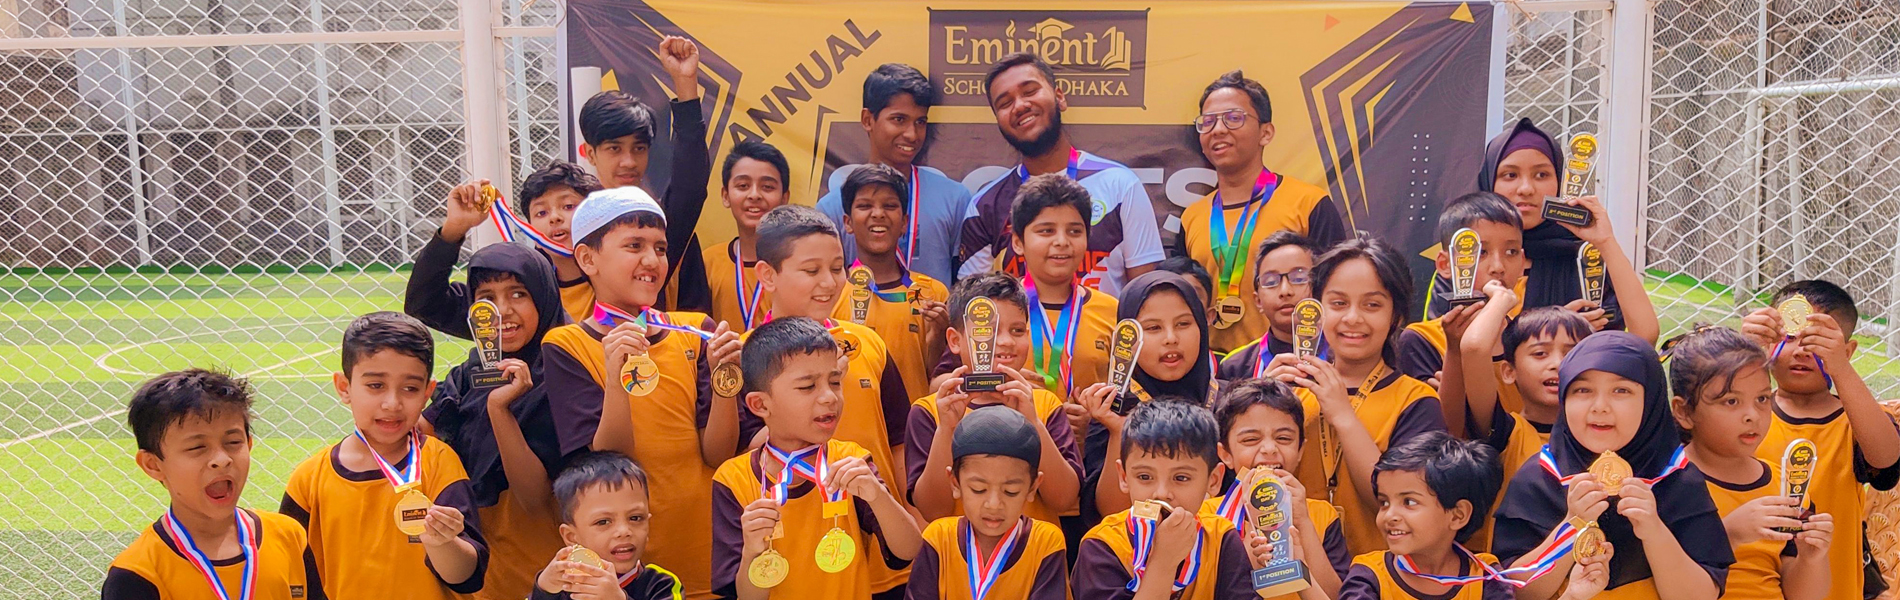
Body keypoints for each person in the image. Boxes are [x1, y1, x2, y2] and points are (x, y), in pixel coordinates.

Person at [540, 187, 750, 600]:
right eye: (634, 246)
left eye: (660, 248)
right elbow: (607, 462)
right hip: (626, 566)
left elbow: (719, 454)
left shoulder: (696, 331)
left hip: (707, 547)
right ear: (588, 259)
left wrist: (725, 379)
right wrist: (615, 376)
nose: (652, 261)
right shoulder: (567, 344)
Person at [748, 204, 916, 596]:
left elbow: (898, 442)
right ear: (768, 275)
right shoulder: (747, 356)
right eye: (811, 271)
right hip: (795, 554)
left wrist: (910, 514)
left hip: (884, 546)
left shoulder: (868, 343)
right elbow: (743, 454)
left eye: (837, 268)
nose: (829, 282)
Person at [1492, 331, 1734, 600]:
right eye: (1582, 390)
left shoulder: (1677, 479)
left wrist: (1653, 530)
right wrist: (1572, 526)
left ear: (1651, 401)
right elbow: (1517, 593)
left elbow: (1702, 595)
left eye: (1621, 390)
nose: (1600, 406)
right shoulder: (1539, 478)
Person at [712, 317, 924, 600]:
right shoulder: (733, 480)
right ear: (760, 404)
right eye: (807, 387)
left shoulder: (851, 461)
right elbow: (747, 597)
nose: (829, 397)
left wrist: (878, 496)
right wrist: (752, 551)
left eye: (835, 382)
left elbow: (909, 550)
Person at [281, 312, 489, 599]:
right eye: (376, 386)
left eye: (410, 388)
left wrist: (442, 542)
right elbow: (292, 575)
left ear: (427, 392)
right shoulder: (309, 480)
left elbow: (467, 576)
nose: (392, 403)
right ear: (344, 387)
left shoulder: (439, 462)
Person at [1260, 237, 1448, 553]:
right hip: (1294, 569)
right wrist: (1262, 405)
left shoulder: (1417, 401)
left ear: (1396, 316)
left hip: (1381, 574)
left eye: (1372, 305)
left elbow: (1398, 504)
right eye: (1338, 303)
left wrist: (1343, 415)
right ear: (1316, 310)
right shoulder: (1292, 390)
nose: (1352, 318)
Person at [416, 242, 571, 600]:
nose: (502, 311)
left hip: (540, 563)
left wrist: (500, 410)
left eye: (518, 293)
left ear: (544, 297)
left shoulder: (564, 373)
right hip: (468, 552)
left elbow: (534, 499)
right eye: (487, 297)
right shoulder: (468, 374)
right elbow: (422, 438)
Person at [1424, 119, 1658, 347]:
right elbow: (1450, 346)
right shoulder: (1465, 259)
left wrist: (1605, 241)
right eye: (1510, 175)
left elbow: (1643, 338)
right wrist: (1557, 328)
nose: (1526, 189)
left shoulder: (1584, 257)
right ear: (1489, 181)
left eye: (1541, 175)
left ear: (1560, 180)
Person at [1738, 280, 1900, 600]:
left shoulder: (1855, 421)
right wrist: (1740, 353)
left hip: (1834, 588)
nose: (1801, 350)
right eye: (1789, 337)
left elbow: (1886, 461)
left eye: (1817, 340)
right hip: (1750, 586)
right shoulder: (1744, 415)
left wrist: (1839, 368)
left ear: (1847, 351)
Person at [957, 52, 1164, 295]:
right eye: (1005, 103)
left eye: (1030, 91)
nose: (1020, 106)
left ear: (1060, 98)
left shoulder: (1120, 185)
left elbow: (1145, 298)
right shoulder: (984, 206)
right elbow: (973, 305)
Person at [1178, 70, 1348, 354]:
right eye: (1208, 122)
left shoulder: (1308, 204)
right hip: (1210, 368)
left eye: (1233, 118)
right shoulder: (1192, 217)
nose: (1218, 130)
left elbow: (1337, 293)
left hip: (1288, 365)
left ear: (1265, 133)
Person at [103, 370, 312, 600]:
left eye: (233, 442)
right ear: (152, 465)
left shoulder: (289, 537)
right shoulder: (136, 574)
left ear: (249, 444)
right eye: (197, 447)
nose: (221, 459)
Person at [1664, 326, 1834, 600]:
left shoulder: (1786, 485)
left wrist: (1811, 558)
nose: (1752, 415)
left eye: (1762, 399)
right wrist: (1729, 533)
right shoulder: (1665, 483)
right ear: (1684, 411)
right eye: (1731, 401)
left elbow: (1803, 595)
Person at [1339, 432, 1607, 600]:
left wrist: (1573, 596)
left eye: (1409, 502)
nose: (1390, 515)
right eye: (1384, 502)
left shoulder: (1486, 580)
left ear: (1458, 515)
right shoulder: (1369, 576)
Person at [907, 273, 1082, 526]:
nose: (1006, 341)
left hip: (1035, 549)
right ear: (955, 341)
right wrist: (946, 430)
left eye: (1017, 330)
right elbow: (933, 510)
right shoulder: (931, 410)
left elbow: (1064, 499)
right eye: (986, 330)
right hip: (957, 550)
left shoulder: (1044, 405)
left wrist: (1033, 422)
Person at [1071, 399, 1265, 600]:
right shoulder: (1102, 545)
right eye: (1144, 477)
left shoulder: (1221, 537)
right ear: (1124, 477)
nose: (1161, 493)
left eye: (1181, 478)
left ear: (1213, 480)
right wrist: (1163, 562)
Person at [576, 36, 714, 313]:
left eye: (638, 149)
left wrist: (685, 83)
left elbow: (690, 187)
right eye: (614, 149)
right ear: (590, 153)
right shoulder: (568, 227)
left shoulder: (658, 224)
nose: (629, 162)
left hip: (655, 340)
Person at [1081, 271, 1219, 519]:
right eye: (1153, 328)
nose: (1171, 339)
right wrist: (1118, 432)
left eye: (1183, 324)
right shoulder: (1113, 406)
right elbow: (1108, 512)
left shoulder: (1227, 403)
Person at [1456, 301, 1593, 550]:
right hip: (1515, 567)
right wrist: (1501, 299)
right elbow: (1474, 348)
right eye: (1540, 353)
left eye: (1571, 353)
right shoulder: (1505, 432)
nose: (1558, 363)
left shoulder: (1602, 431)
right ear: (1509, 372)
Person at [816, 63, 971, 283]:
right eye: (899, 120)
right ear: (867, 120)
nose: (912, 134)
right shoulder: (832, 208)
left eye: (920, 122)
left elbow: (965, 285)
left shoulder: (955, 199)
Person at [906, 406, 1071, 600]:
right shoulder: (938, 539)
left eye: (1010, 491)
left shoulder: (1045, 542)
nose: (994, 504)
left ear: (1033, 487)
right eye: (978, 489)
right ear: (955, 483)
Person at [1205, 378, 1349, 598]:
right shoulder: (1207, 517)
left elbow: (1335, 595)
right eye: (1251, 439)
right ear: (1225, 454)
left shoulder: (1322, 515)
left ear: (1300, 451)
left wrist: (1303, 522)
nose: (1269, 449)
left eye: (1283, 438)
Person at [1394, 192, 1529, 425]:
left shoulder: (1530, 338)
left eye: (1511, 252)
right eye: (1481, 252)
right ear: (1445, 264)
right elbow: (1442, 430)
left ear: (1523, 262)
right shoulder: (1423, 339)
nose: (1498, 267)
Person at [412, 162, 603, 323]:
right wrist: (454, 228)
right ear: (529, 227)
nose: (554, 217)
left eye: (568, 206)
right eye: (541, 213)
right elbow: (425, 305)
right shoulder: (513, 288)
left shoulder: (617, 278)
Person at [830, 164, 951, 403]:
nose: (878, 214)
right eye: (865, 206)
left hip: (913, 424)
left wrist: (937, 338)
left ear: (904, 222)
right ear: (847, 222)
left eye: (889, 206)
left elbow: (941, 379)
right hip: (851, 422)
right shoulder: (831, 292)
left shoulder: (931, 293)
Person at [533, 452, 683, 600]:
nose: (624, 531)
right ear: (571, 537)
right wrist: (544, 591)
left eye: (635, 518)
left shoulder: (661, 585)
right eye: (603, 522)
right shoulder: (563, 585)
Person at [705, 140, 793, 332]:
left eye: (767, 187)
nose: (754, 195)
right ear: (725, 196)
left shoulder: (798, 264)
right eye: (743, 185)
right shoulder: (709, 262)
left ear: (784, 198)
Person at [1217, 231, 1323, 381]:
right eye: (1271, 282)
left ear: (1320, 289)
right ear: (1258, 301)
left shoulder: (1344, 354)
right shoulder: (1234, 368)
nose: (1285, 291)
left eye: (1299, 278)